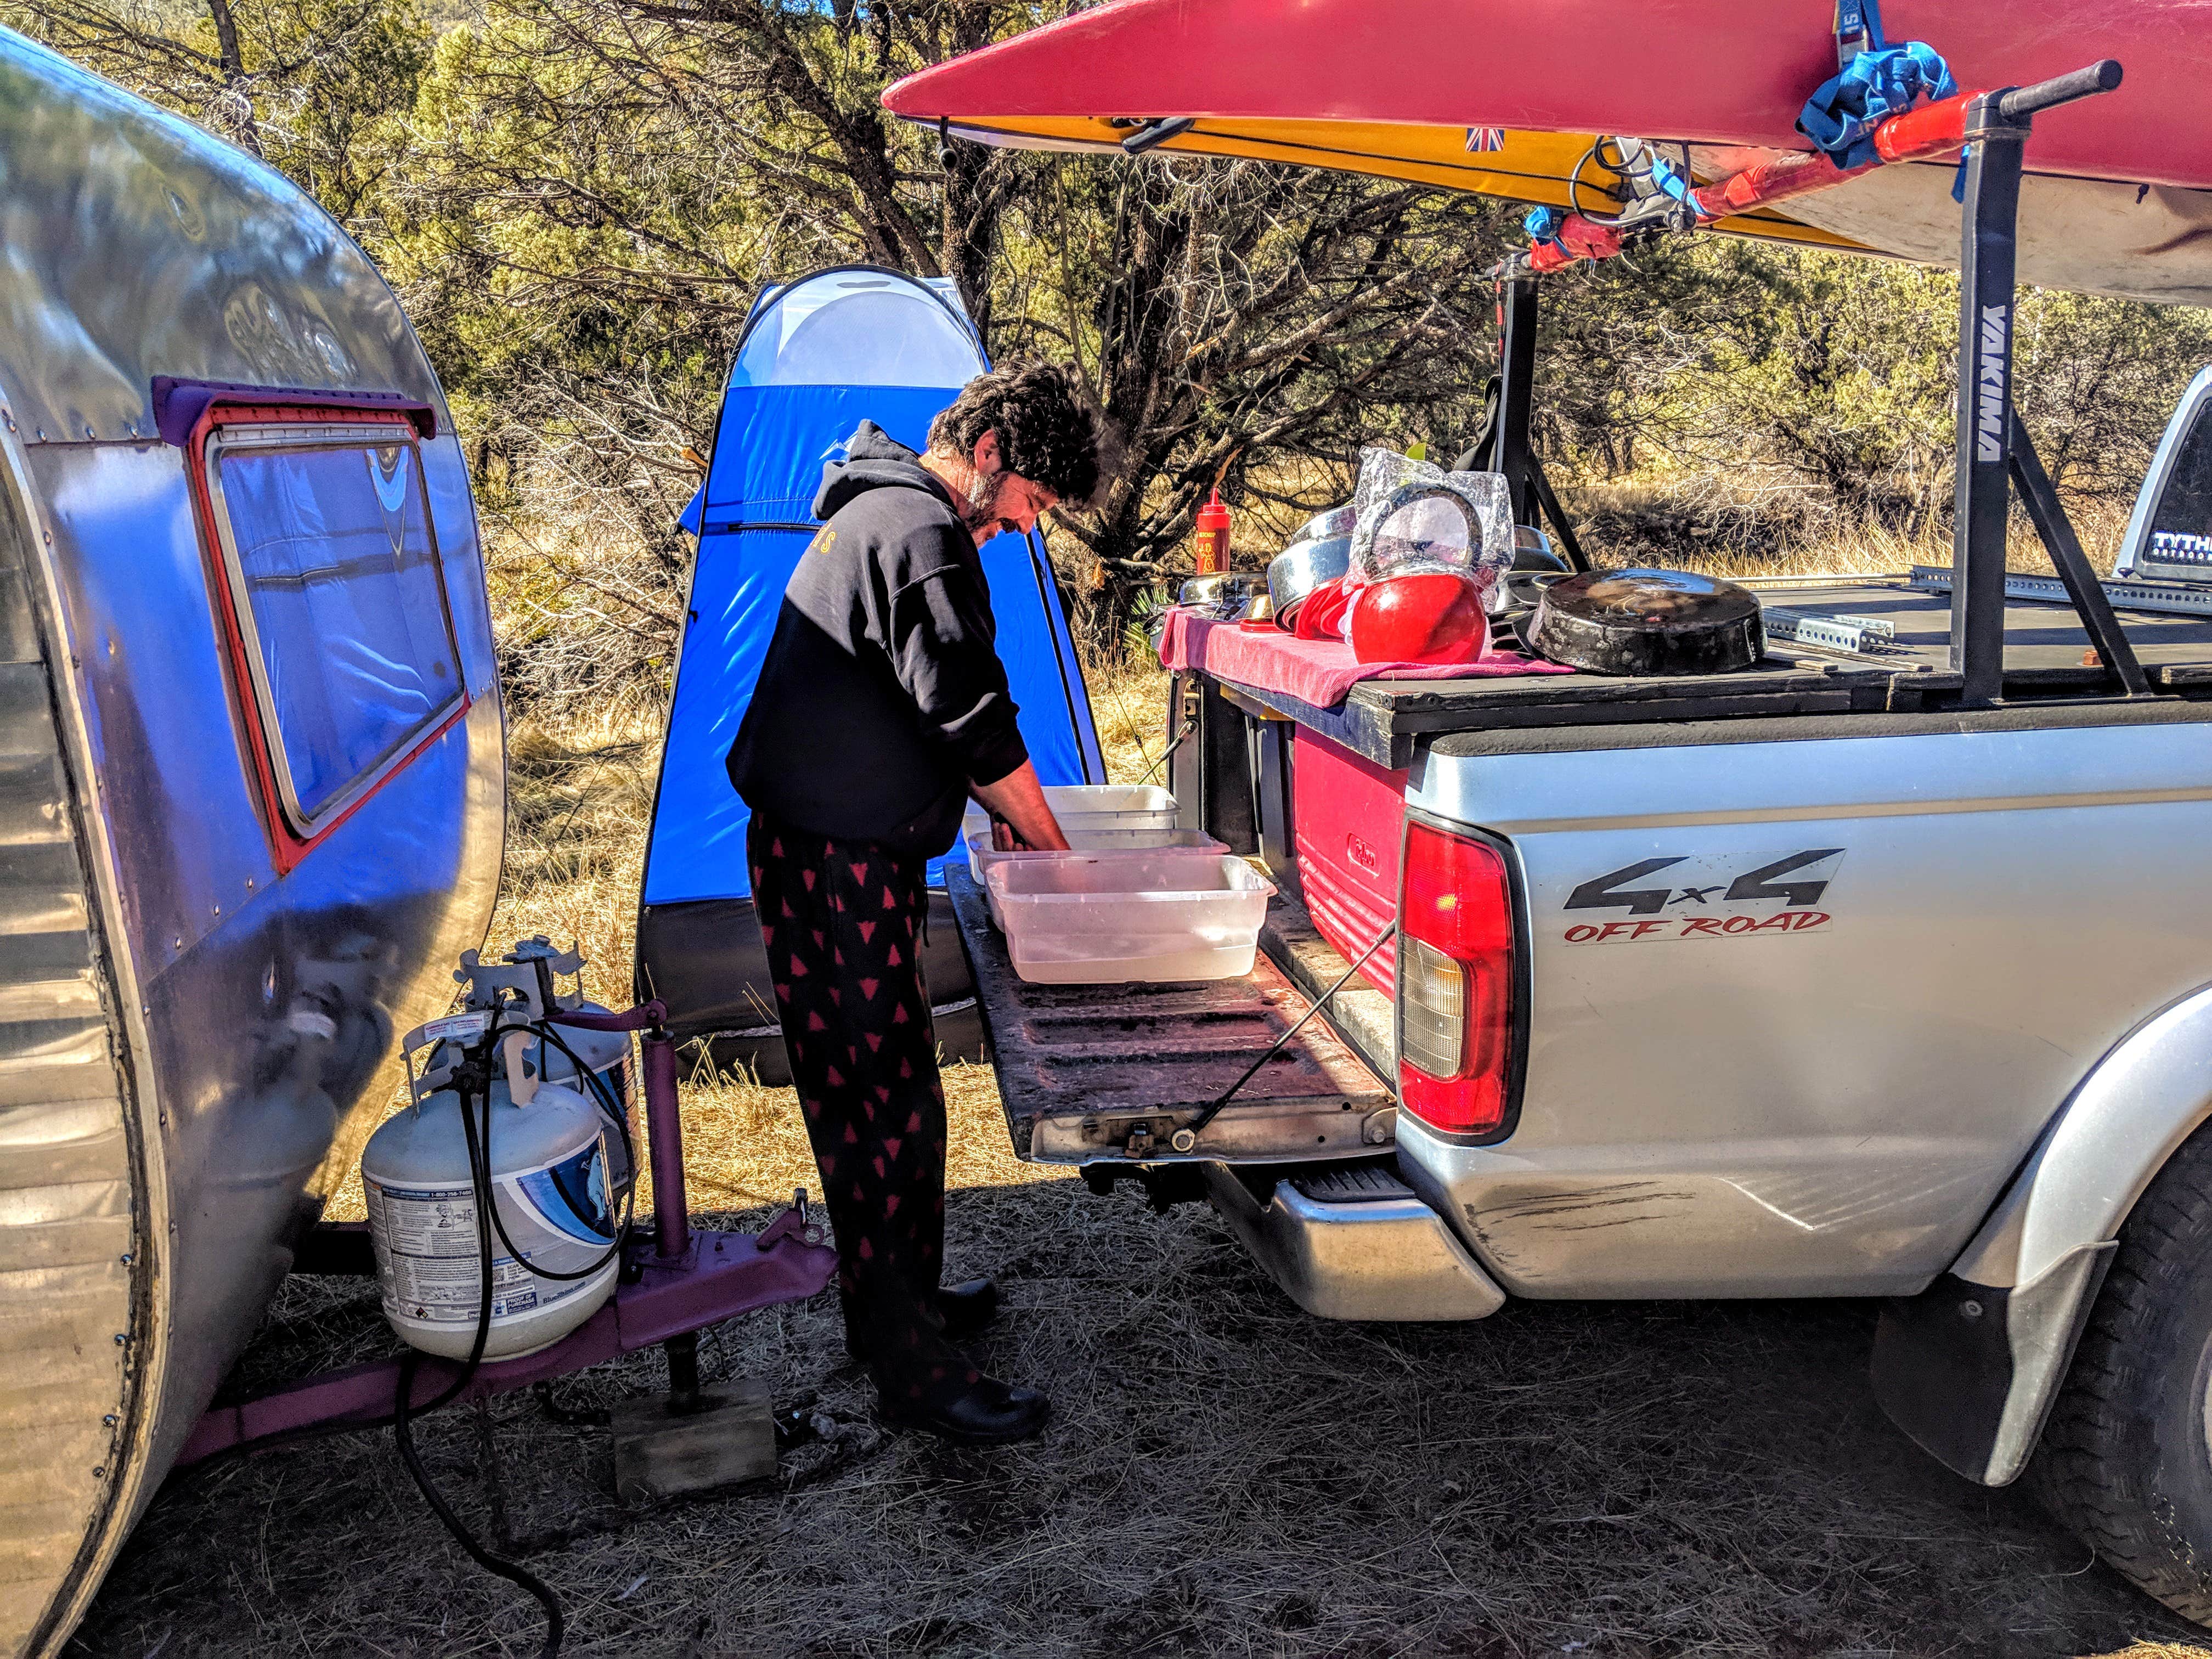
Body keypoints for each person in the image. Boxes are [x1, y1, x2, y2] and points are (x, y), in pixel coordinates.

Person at [725, 360, 1105, 1443]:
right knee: (877, 1106)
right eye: (1031, 503)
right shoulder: (919, 530)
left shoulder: (885, 516)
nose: (1023, 528)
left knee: (891, 1094)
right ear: (990, 458)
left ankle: (906, 1308)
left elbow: (934, 708)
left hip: (845, 851)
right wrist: (1057, 857)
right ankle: (914, 1373)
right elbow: (973, 716)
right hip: (829, 857)